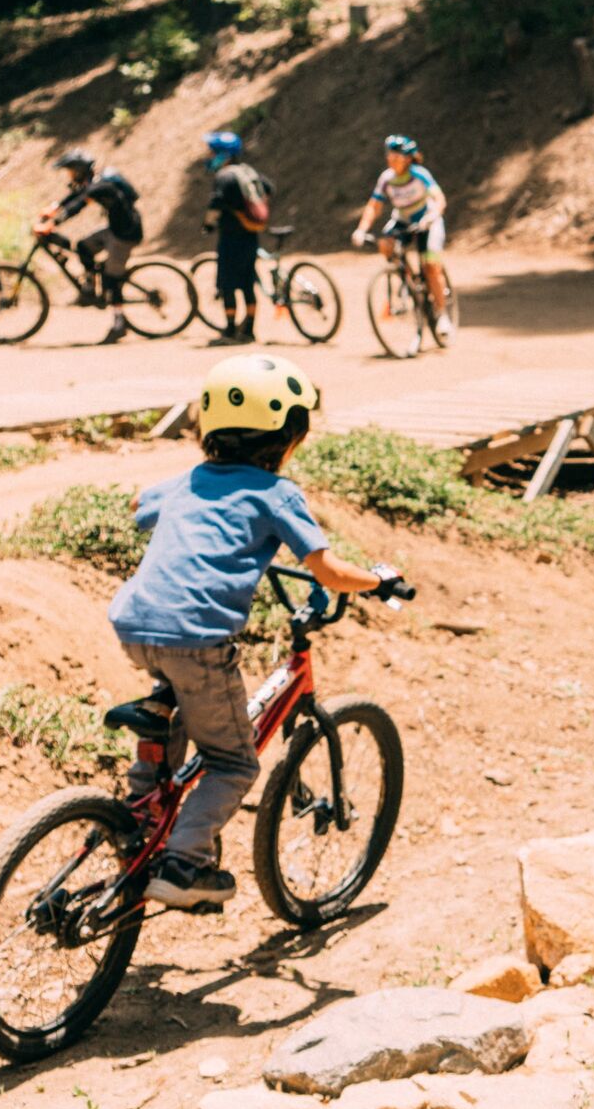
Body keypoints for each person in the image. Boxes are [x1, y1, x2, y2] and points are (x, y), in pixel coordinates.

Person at [105, 352, 406, 909]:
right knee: (233, 762)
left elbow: (137, 504)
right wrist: (379, 580)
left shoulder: (188, 481)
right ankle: (183, 864)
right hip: (197, 638)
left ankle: (137, 817)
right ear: (288, 436)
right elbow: (329, 571)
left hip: (134, 625)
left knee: (171, 706)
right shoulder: (277, 494)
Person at [43, 149, 144, 345]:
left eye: (71, 171)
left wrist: (52, 224)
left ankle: (119, 324)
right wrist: (53, 208)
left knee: (111, 278)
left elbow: (79, 204)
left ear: (80, 170)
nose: (70, 176)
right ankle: (89, 286)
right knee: (83, 246)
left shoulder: (101, 185)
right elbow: (75, 195)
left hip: (125, 234)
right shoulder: (94, 181)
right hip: (114, 230)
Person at [351, 135, 450, 321]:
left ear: (407, 158)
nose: (391, 160)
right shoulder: (386, 178)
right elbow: (374, 206)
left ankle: (442, 312)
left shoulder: (419, 173)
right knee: (385, 244)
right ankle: (408, 279)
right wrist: (361, 229)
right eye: (389, 156)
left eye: (396, 157)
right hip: (403, 219)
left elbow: (439, 199)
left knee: (430, 266)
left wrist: (433, 215)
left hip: (428, 219)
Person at [200, 131, 273, 346]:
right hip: (251, 236)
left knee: (228, 285)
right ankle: (249, 329)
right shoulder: (248, 172)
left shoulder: (224, 177)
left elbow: (216, 204)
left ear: (223, 154)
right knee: (248, 283)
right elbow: (269, 189)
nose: (210, 156)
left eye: (213, 152)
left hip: (231, 238)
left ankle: (230, 330)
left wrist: (208, 225)